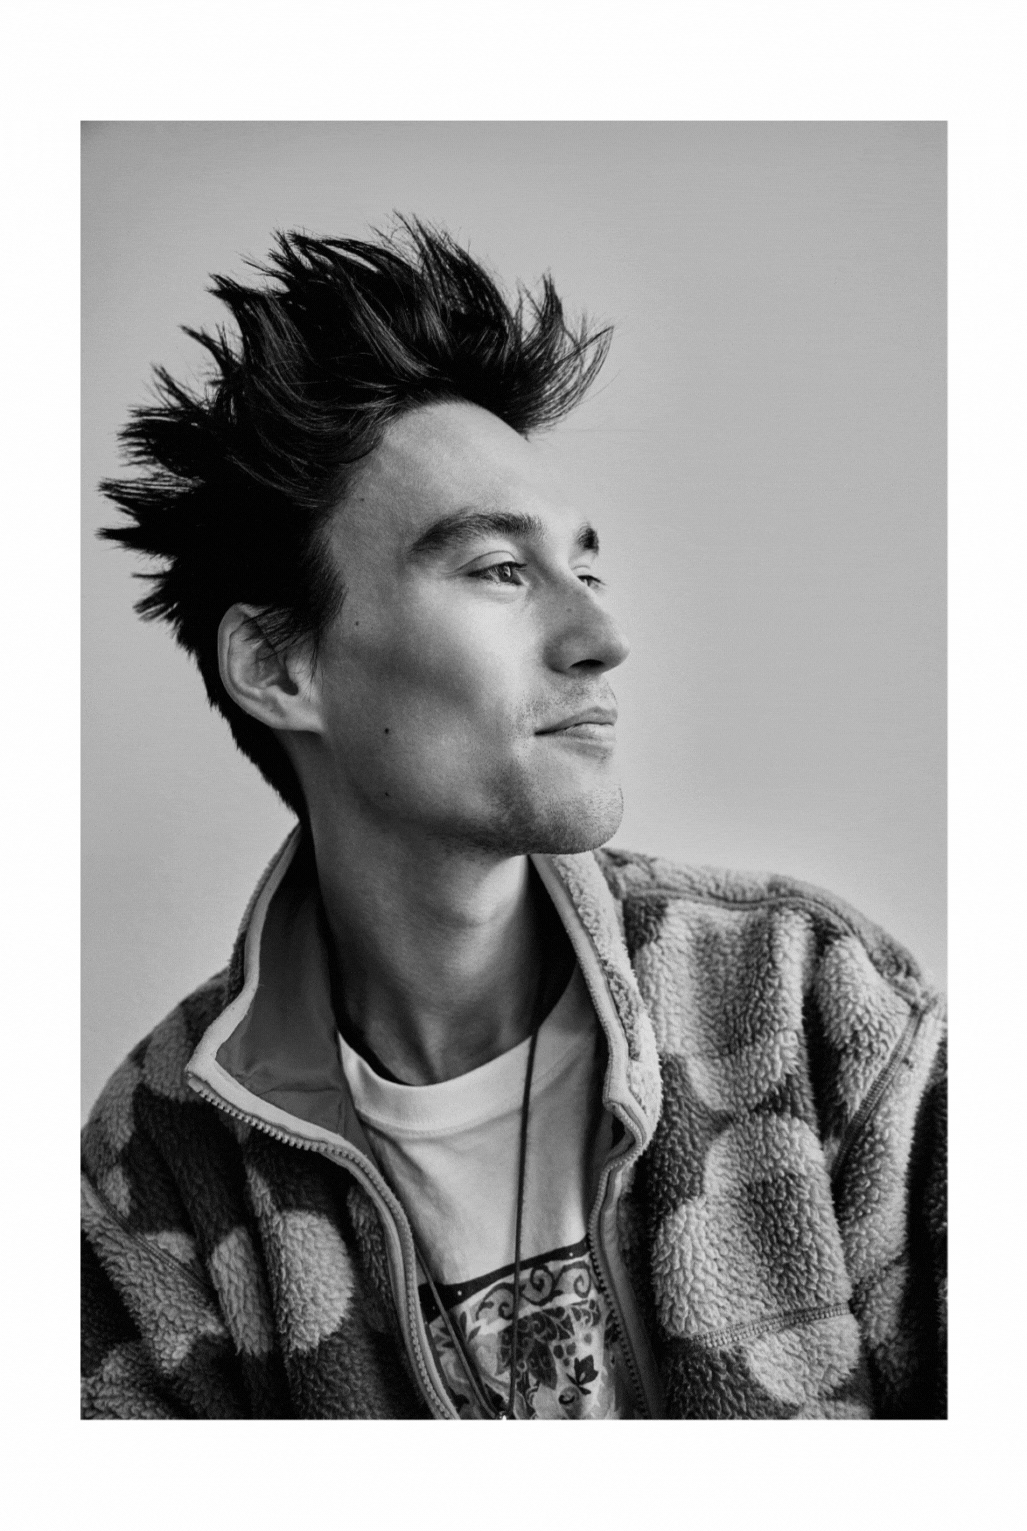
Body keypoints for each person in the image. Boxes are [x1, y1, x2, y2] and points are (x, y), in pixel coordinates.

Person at [82, 221, 946, 1420]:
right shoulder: (162, 1167)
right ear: (279, 665)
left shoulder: (799, 1003)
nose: (600, 637)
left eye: (585, 569)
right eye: (498, 569)